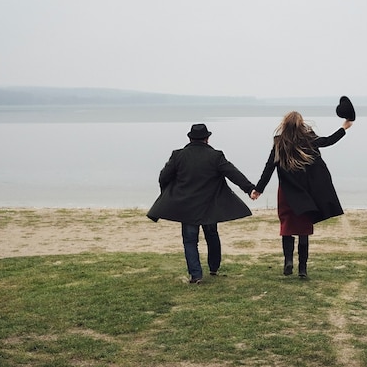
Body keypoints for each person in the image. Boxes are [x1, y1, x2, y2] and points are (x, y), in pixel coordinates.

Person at [147, 123, 256, 284]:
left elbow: (163, 177)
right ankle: (214, 267)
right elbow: (233, 173)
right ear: (207, 138)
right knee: (212, 235)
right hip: (210, 206)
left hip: (187, 206)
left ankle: (196, 275)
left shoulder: (178, 156)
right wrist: (250, 189)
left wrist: (168, 193)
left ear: (190, 138)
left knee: (190, 240)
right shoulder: (216, 156)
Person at [251, 112, 352, 278]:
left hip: (286, 193)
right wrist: (344, 128)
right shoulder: (308, 140)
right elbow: (327, 141)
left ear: (285, 125)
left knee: (287, 227)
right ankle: (302, 269)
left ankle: (288, 261)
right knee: (304, 229)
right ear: (300, 124)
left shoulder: (279, 143)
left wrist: (258, 189)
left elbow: (269, 167)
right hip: (306, 194)